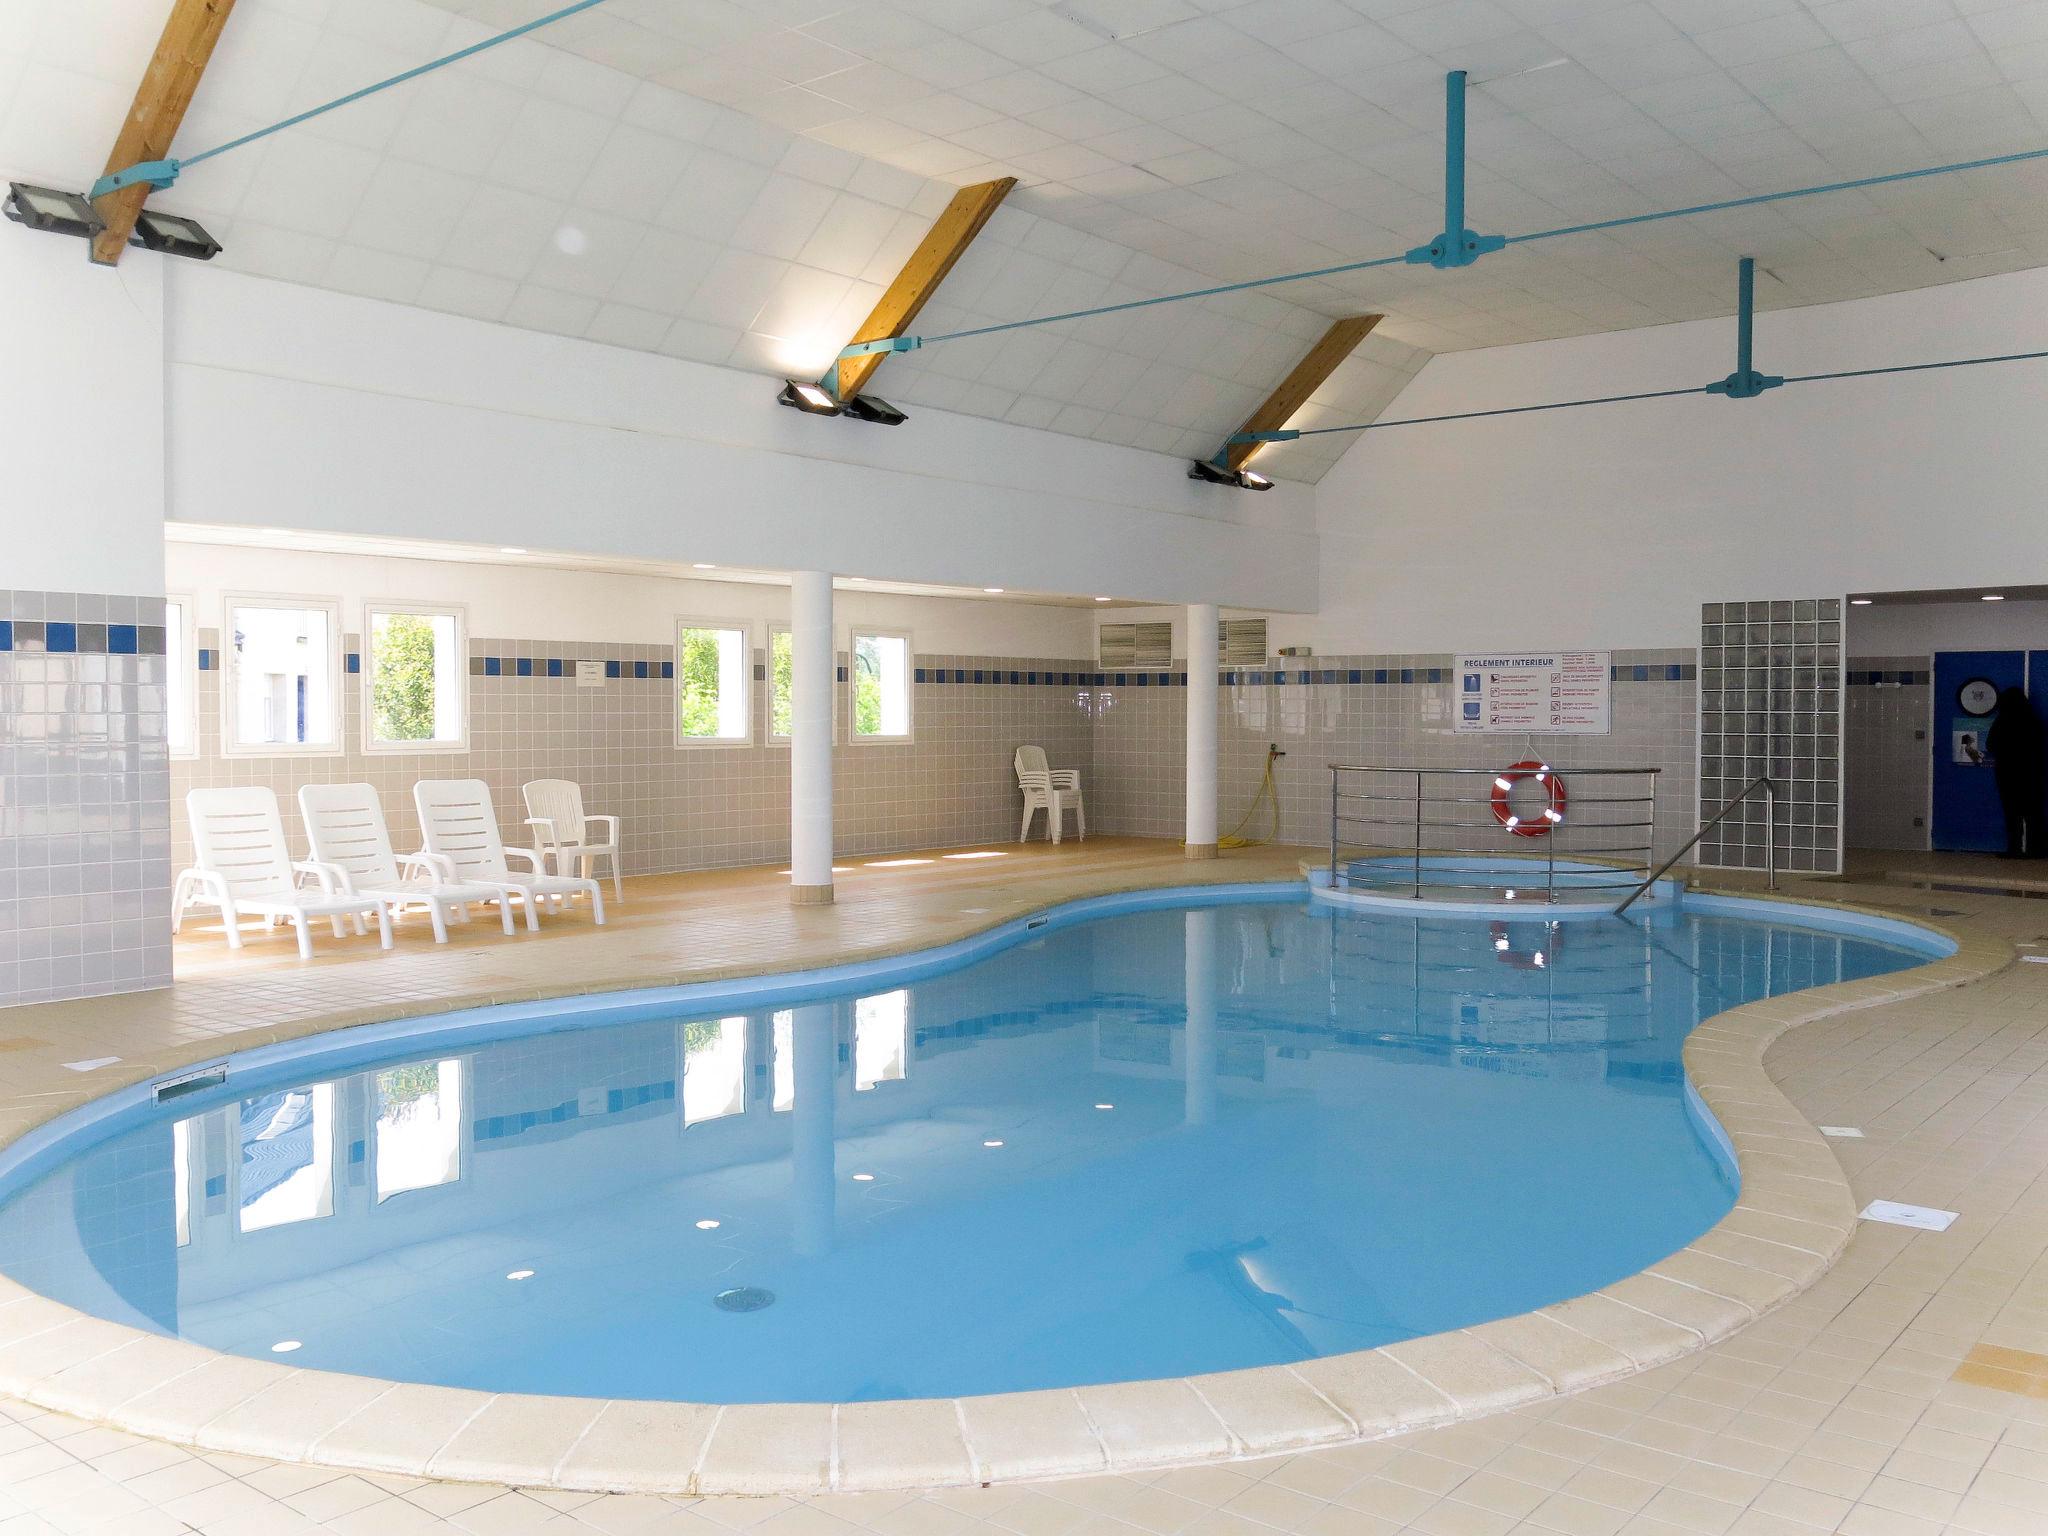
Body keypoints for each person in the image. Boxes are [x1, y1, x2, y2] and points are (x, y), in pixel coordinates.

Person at [1986, 686, 2046, 857]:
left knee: (2012, 814)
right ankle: (2036, 849)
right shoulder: (2034, 720)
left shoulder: (2002, 720)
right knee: (2034, 814)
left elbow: (1990, 745)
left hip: (2008, 775)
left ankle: (2015, 849)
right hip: (2033, 775)